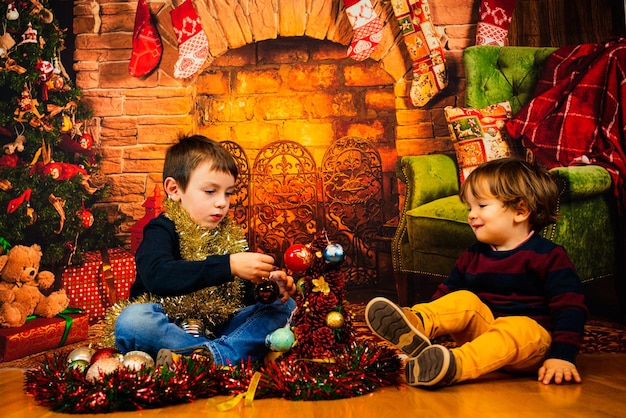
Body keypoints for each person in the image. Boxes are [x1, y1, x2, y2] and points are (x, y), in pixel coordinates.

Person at [366, 157, 588, 388]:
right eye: (470, 207)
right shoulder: (473, 254)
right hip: (484, 339)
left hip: (531, 347)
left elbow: (570, 308)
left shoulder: (549, 256)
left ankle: (455, 365)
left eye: (481, 206)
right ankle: (416, 324)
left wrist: (562, 356)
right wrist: (436, 319)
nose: (471, 215)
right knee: (465, 299)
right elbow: (447, 295)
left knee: (517, 326)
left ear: (520, 210)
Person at [115, 134, 296, 366]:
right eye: (211, 191)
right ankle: (225, 355)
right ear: (174, 189)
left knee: (285, 307)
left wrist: (268, 289)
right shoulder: (161, 228)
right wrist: (228, 265)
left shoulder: (230, 235)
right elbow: (158, 275)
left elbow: (245, 296)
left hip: (221, 327)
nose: (222, 202)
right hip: (168, 327)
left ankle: (207, 357)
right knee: (132, 322)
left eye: (228, 193)